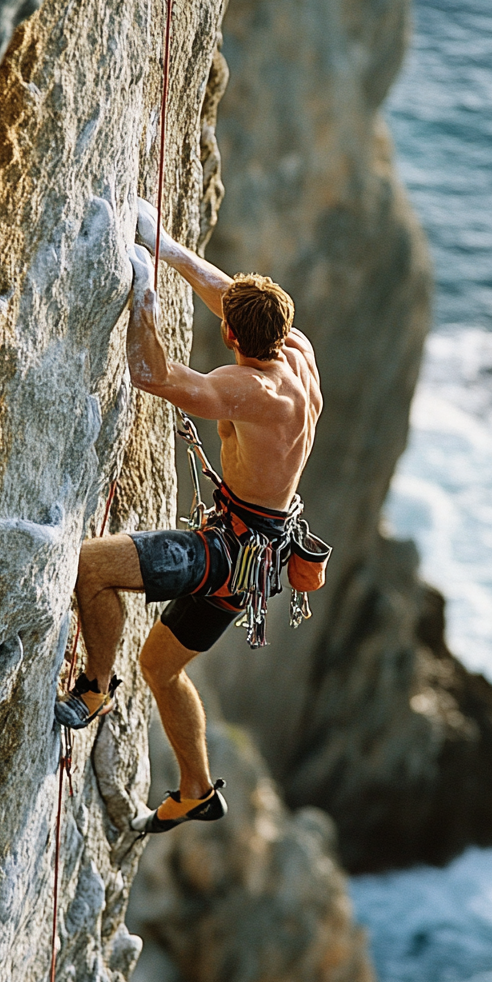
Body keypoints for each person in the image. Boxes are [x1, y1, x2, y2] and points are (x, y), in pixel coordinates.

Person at [54, 200, 323, 834]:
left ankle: (93, 687)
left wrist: (142, 290)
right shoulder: (298, 354)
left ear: (233, 340)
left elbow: (152, 373)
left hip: (229, 554)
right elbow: (229, 294)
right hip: (258, 554)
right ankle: (198, 790)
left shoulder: (250, 391)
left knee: (91, 567)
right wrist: (165, 248)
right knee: (160, 666)